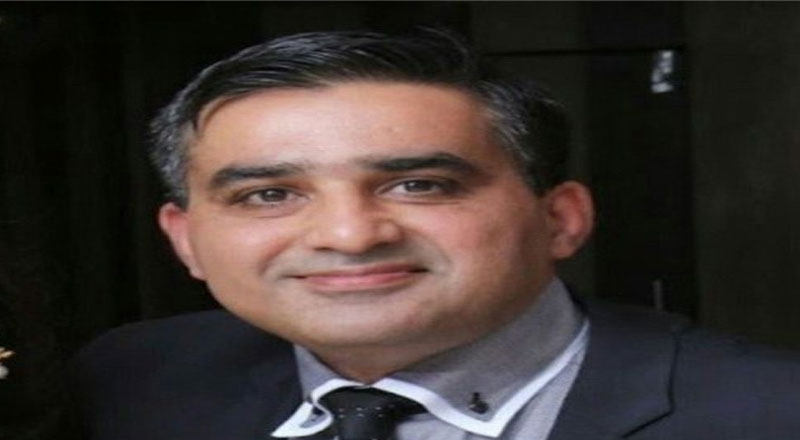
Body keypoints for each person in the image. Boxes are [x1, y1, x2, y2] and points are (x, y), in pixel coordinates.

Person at [71, 29, 800, 440]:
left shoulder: (769, 413)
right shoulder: (133, 379)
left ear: (560, 219)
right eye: (269, 195)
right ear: (186, 240)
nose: (350, 235)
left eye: (419, 185)